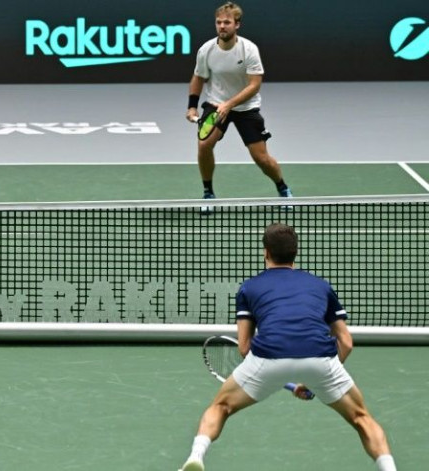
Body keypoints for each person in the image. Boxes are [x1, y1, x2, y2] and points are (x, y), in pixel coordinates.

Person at [179, 223, 397, 471]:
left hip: (268, 358)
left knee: (221, 406)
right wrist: (315, 379)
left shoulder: (249, 288)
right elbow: (346, 342)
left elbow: (244, 347)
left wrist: (276, 371)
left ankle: (195, 457)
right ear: (296, 253)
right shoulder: (321, 286)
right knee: (361, 417)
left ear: (266, 252)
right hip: (321, 358)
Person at [186, 2, 292, 213]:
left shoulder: (249, 49)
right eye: (218, 22)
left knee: (261, 158)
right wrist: (192, 107)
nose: (222, 26)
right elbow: (198, 77)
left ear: (237, 25)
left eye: (227, 22)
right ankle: (208, 193)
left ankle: (283, 189)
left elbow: (255, 85)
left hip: (246, 108)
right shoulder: (206, 50)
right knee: (204, 145)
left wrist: (230, 104)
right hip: (216, 104)